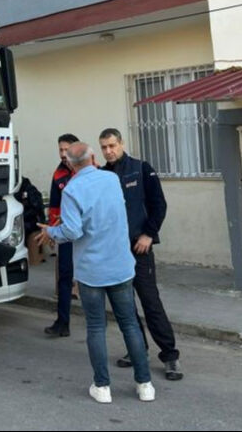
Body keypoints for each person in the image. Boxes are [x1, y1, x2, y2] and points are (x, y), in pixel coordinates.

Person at [39, 142, 155, 404]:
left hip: (92, 270)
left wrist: (50, 232)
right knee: (130, 324)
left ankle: (102, 386)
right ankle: (144, 383)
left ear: (69, 164)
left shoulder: (71, 190)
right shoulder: (112, 179)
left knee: (96, 327)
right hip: (121, 265)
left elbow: (73, 231)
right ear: (93, 157)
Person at [99, 128, 183, 381]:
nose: (108, 151)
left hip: (139, 248)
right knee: (125, 306)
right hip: (115, 250)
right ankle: (138, 349)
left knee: (150, 302)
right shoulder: (102, 176)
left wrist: (148, 234)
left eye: (112, 145)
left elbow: (159, 205)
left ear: (121, 143)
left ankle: (170, 356)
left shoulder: (141, 168)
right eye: (103, 147)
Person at [45, 133, 79, 337]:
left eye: (67, 149)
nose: (63, 154)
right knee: (64, 278)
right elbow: (55, 206)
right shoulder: (58, 174)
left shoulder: (89, 170)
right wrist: (52, 232)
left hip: (87, 235)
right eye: (60, 150)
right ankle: (62, 322)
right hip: (66, 234)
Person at [14, 177, 47, 266]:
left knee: (33, 261)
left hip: (30, 225)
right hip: (24, 224)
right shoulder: (19, 189)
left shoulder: (29, 190)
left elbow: (36, 209)